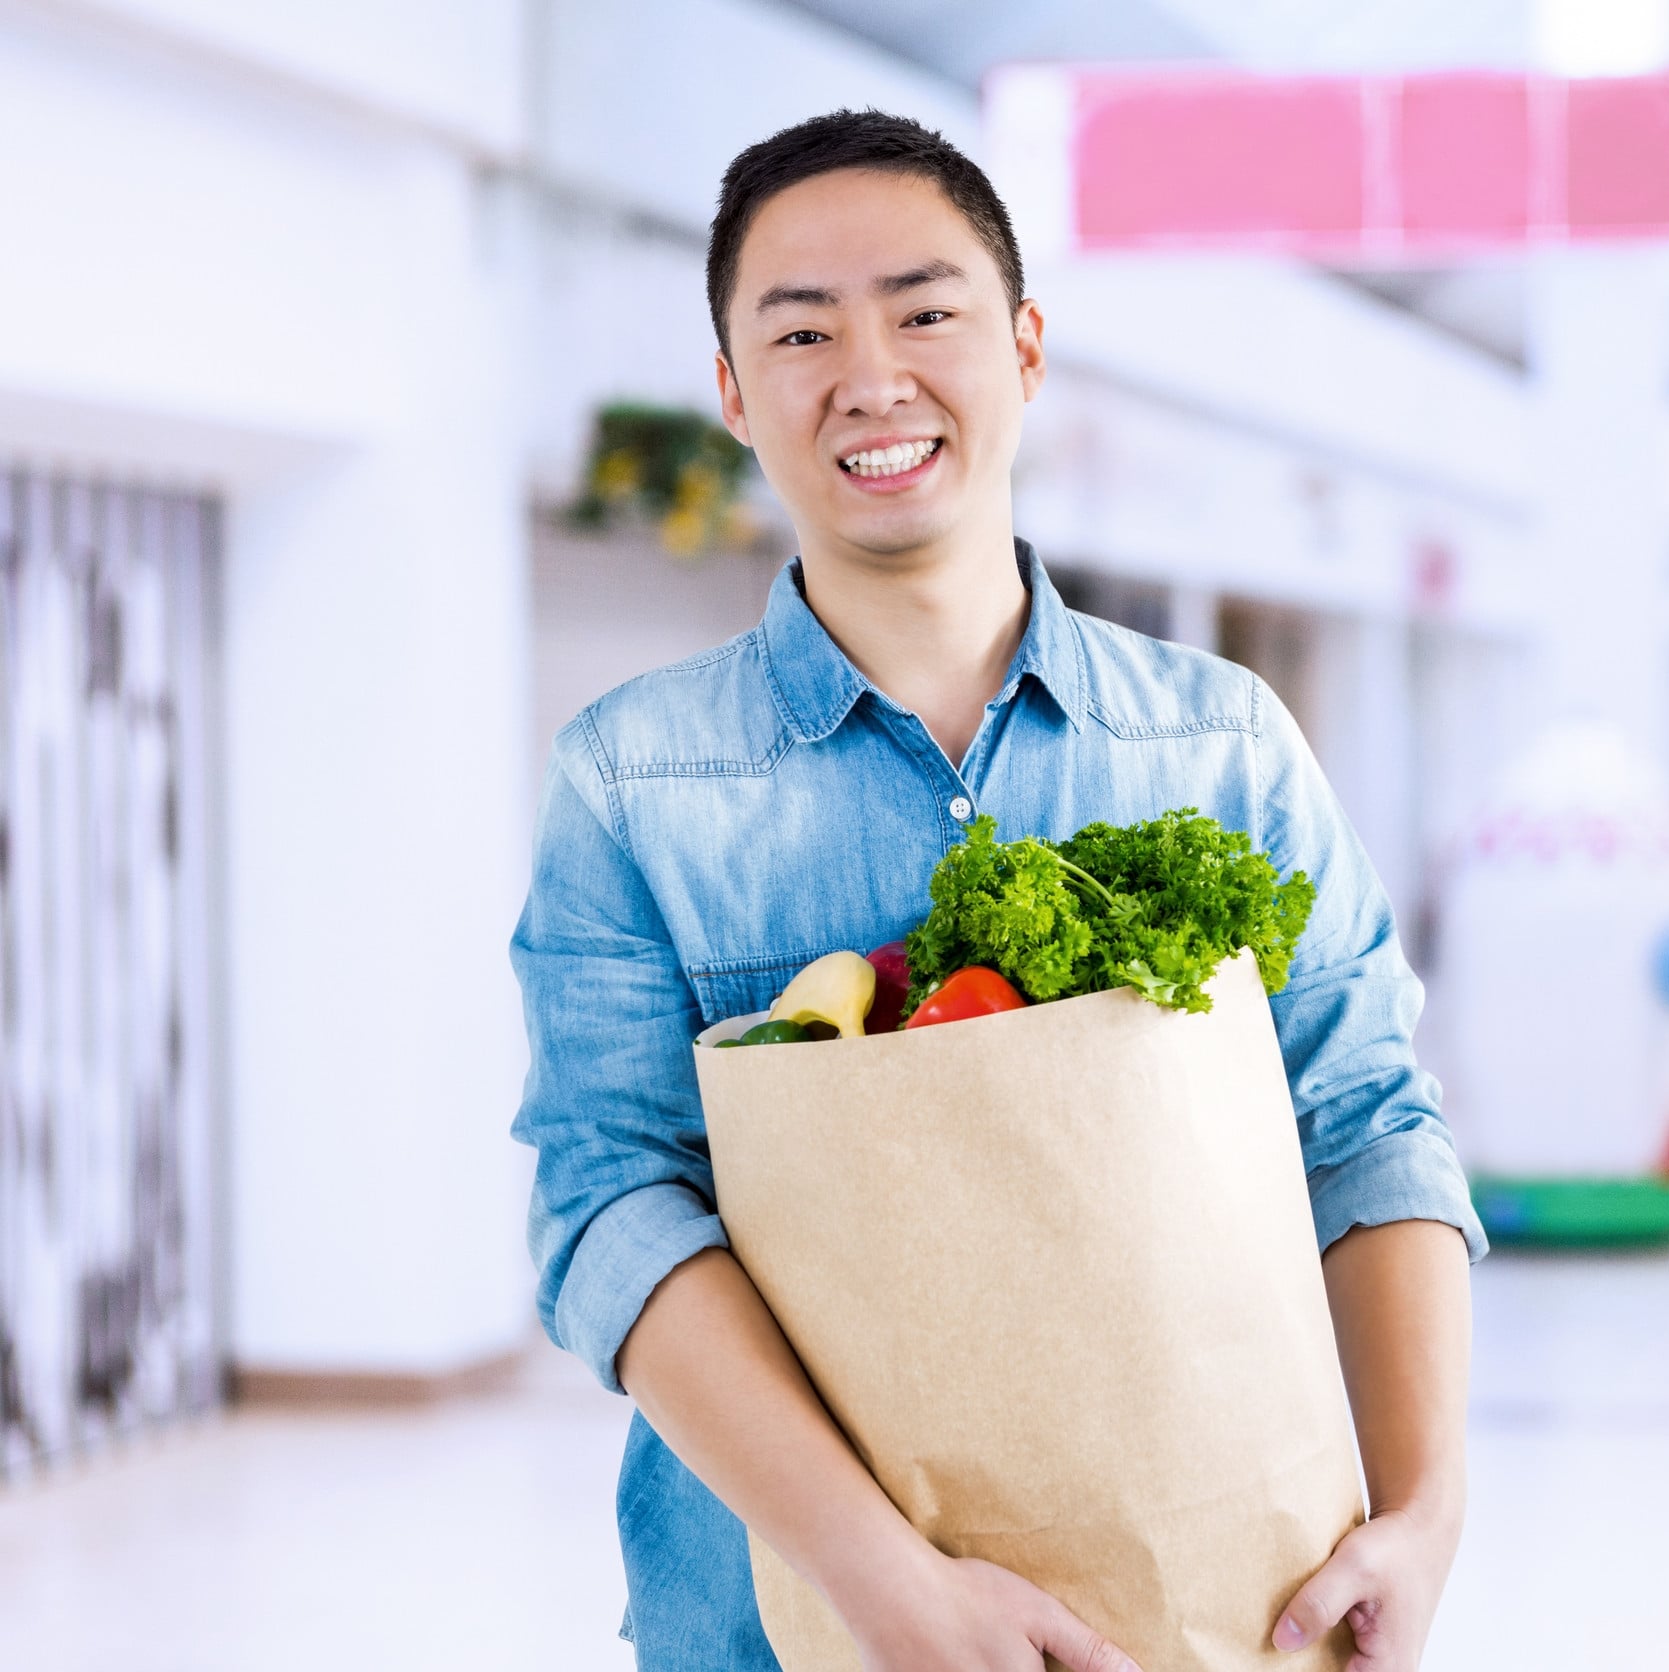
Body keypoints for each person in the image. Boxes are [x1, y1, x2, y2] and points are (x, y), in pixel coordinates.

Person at [510, 109, 1486, 1672]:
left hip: (1213, 1613)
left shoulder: (1218, 744)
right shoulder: (631, 784)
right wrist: (886, 1586)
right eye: (803, 331)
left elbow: (1365, 1125)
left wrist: (1425, 1514)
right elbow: (607, 1211)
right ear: (733, 395)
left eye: (926, 311)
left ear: (1025, 348)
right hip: (780, 1630)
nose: (872, 376)